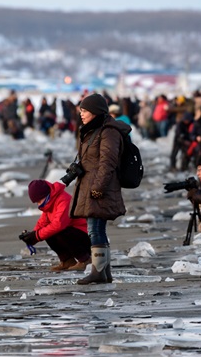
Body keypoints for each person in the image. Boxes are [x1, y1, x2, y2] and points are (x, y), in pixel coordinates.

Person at [69, 93, 130, 285]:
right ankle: (104, 273)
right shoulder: (92, 130)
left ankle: (98, 272)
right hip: (91, 185)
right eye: (81, 110)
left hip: (100, 186)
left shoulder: (108, 131)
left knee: (95, 229)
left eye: (85, 110)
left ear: (95, 111)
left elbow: (108, 162)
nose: (81, 114)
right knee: (96, 229)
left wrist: (98, 187)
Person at [19, 180, 91, 271]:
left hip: (86, 237)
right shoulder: (49, 204)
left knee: (60, 232)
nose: (38, 204)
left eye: (39, 200)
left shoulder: (64, 200)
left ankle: (85, 260)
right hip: (74, 235)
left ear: (46, 194)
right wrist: (32, 235)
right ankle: (67, 260)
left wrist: (37, 236)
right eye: (36, 202)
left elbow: (59, 224)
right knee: (48, 233)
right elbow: (42, 223)